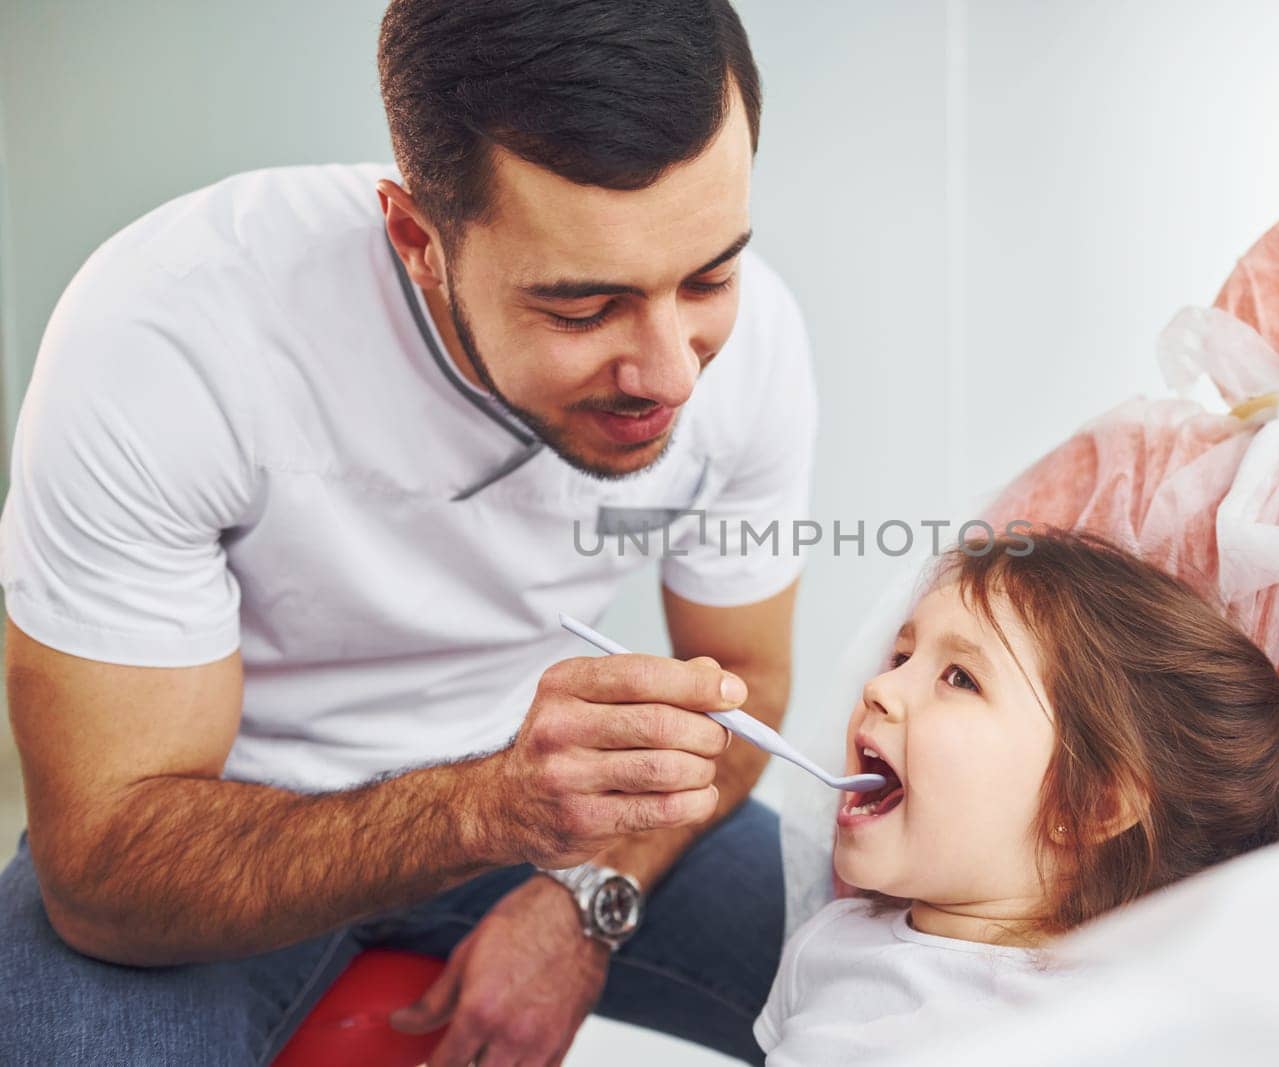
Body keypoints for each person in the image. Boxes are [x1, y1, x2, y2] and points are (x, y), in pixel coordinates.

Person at [0, 1, 815, 1064]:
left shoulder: (755, 351)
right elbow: (102, 874)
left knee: (928, 962)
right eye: (582, 308)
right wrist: (488, 807)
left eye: (708, 276)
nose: (669, 370)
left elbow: (746, 676)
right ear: (418, 240)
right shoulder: (170, 337)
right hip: (218, 830)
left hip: (551, 805)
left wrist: (580, 896)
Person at [756, 530, 1279, 1065]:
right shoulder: (828, 943)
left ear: (1089, 805)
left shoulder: (1102, 1027)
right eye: (902, 657)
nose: (879, 686)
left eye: (960, 677)